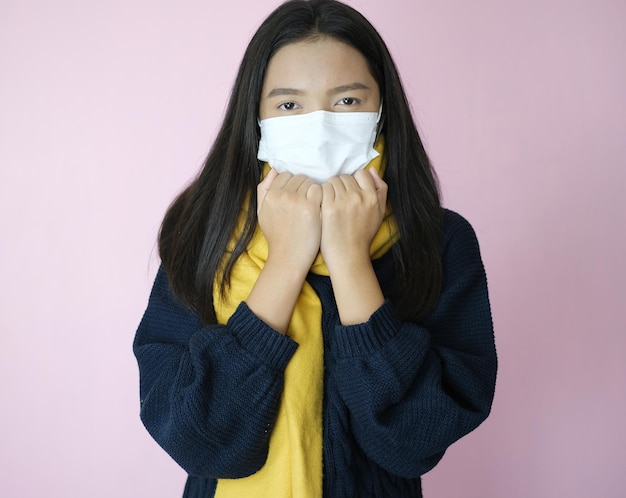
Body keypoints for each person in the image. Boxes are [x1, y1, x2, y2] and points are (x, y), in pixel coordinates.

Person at [133, 0, 497, 496]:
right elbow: (198, 440)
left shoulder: (439, 241)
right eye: (289, 105)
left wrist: (350, 260)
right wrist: (285, 259)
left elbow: (414, 442)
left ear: (382, 110)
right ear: (256, 116)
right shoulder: (201, 232)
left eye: (347, 101)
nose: (320, 125)